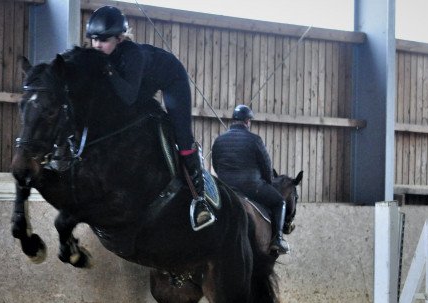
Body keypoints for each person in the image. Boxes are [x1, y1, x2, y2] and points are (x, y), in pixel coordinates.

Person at [85, 5, 215, 231]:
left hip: (171, 79)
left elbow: (127, 97)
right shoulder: (103, 56)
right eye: (94, 39)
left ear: (119, 38)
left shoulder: (132, 54)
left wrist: (107, 70)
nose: (97, 45)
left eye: (104, 40)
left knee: (182, 137)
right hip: (141, 83)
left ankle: (199, 200)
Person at [212, 105, 290, 254]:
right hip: (252, 186)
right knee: (280, 202)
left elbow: (216, 165)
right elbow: (266, 166)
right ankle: (278, 240)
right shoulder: (255, 139)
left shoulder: (219, 141)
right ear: (247, 121)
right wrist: (267, 182)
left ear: (234, 120)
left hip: (225, 188)